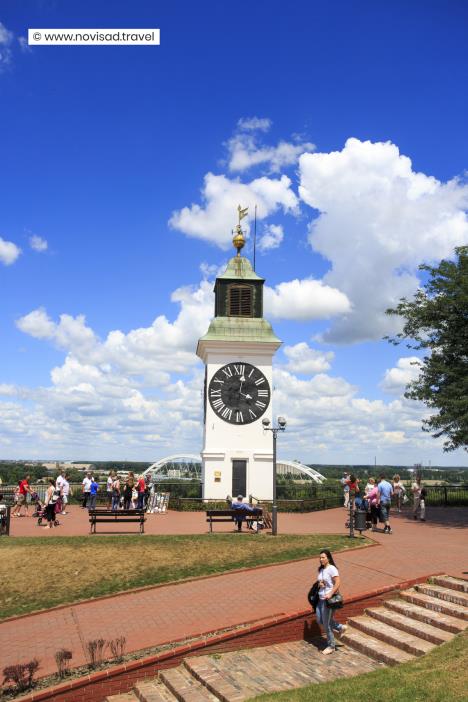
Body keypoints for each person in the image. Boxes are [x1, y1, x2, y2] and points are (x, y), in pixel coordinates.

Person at [315, 549, 347, 654]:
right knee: (320, 620)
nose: (321, 559)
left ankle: (331, 646)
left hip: (328, 600)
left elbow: (338, 582)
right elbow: (321, 582)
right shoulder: (321, 569)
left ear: (328, 558)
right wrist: (320, 584)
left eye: (323, 557)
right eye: (320, 557)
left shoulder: (332, 569)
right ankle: (340, 627)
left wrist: (331, 593)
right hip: (320, 599)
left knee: (326, 624)